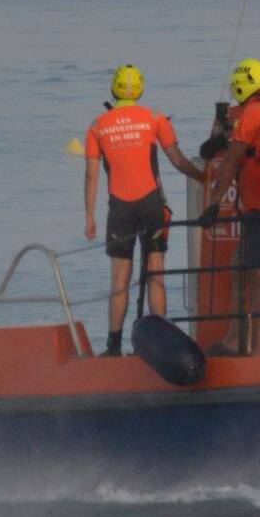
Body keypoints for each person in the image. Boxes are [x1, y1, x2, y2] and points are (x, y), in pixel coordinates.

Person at [83, 64, 206, 356]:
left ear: (114, 90)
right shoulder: (155, 118)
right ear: (140, 89)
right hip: (153, 205)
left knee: (120, 281)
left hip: (120, 209)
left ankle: (113, 346)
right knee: (156, 274)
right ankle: (160, 341)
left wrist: (89, 216)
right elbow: (177, 160)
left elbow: (91, 174)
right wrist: (205, 178)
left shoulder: (98, 125)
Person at [203, 57, 260, 351]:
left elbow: (233, 159)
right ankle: (243, 338)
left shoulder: (254, 112)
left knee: (255, 274)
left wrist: (214, 203)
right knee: (245, 269)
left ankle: (249, 342)